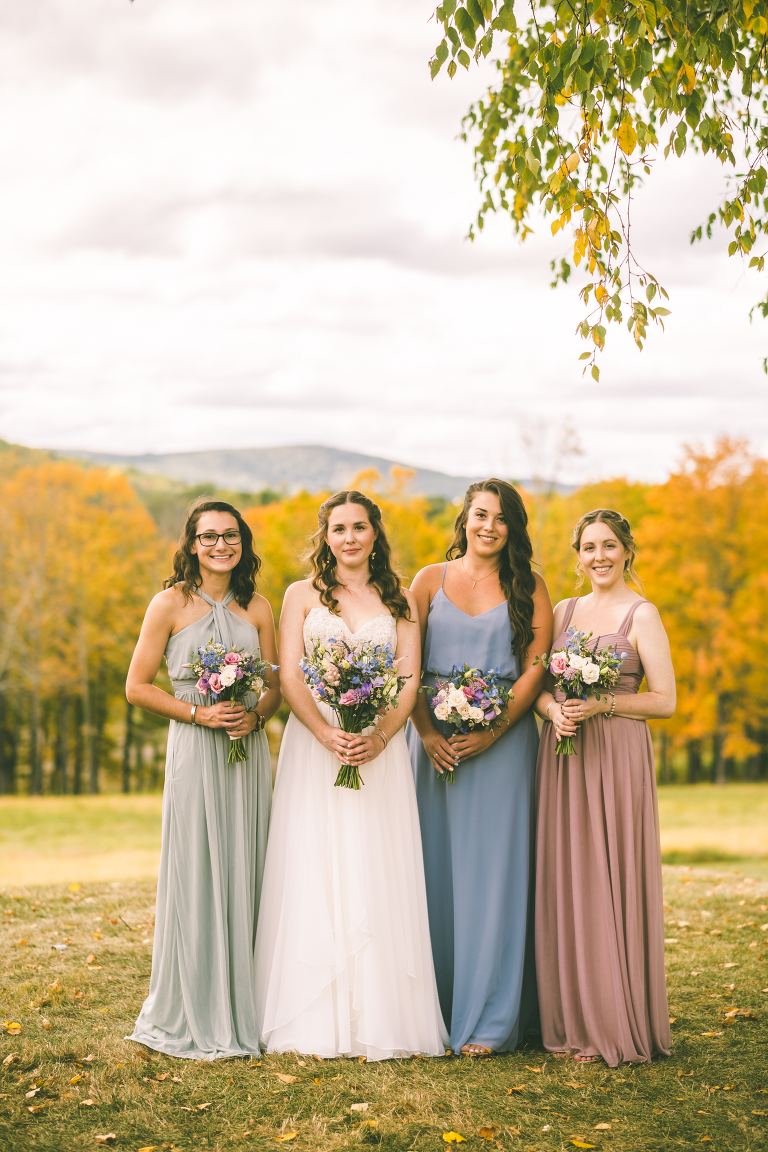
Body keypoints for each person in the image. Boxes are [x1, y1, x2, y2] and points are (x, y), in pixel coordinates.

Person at [255, 490, 447, 1060]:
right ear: (326, 536)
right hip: (315, 747)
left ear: (375, 533)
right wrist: (324, 732)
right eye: (339, 529)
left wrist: (380, 737)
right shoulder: (300, 595)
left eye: (359, 527)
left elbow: (408, 680)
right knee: (314, 860)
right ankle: (314, 1015)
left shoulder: (400, 599)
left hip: (378, 750)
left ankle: (382, 1017)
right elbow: (291, 676)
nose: (350, 538)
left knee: (374, 861)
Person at [125, 498, 280, 1059]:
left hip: (247, 752)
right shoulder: (168, 603)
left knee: (248, 863)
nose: (221, 545)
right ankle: (196, 1000)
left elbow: (275, 686)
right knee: (195, 866)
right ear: (192, 544)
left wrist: (255, 716)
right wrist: (198, 713)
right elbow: (137, 686)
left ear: (243, 542)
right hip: (195, 748)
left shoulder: (258, 607)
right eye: (209, 536)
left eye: (230, 535)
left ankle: (252, 1001)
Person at [407, 479, 553, 1057]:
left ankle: (491, 1019)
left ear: (513, 528)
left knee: (495, 877)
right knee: (432, 872)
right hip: (433, 746)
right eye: (481, 515)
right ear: (464, 519)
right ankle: (432, 1009)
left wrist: (493, 731)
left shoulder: (529, 586)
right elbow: (406, 665)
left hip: (503, 747)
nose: (489, 526)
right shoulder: (427, 581)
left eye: (501, 518)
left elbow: (535, 668)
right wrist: (425, 732)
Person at [534, 508, 676, 1066]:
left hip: (616, 756)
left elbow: (665, 701)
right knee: (569, 876)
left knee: (610, 876)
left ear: (627, 551)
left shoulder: (643, 614)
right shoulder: (563, 612)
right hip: (564, 757)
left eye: (609, 545)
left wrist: (603, 705)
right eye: (589, 547)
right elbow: (539, 686)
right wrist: (553, 711)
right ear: (578, 556)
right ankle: (571, 1015)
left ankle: (615, 1017)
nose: (599, 556)